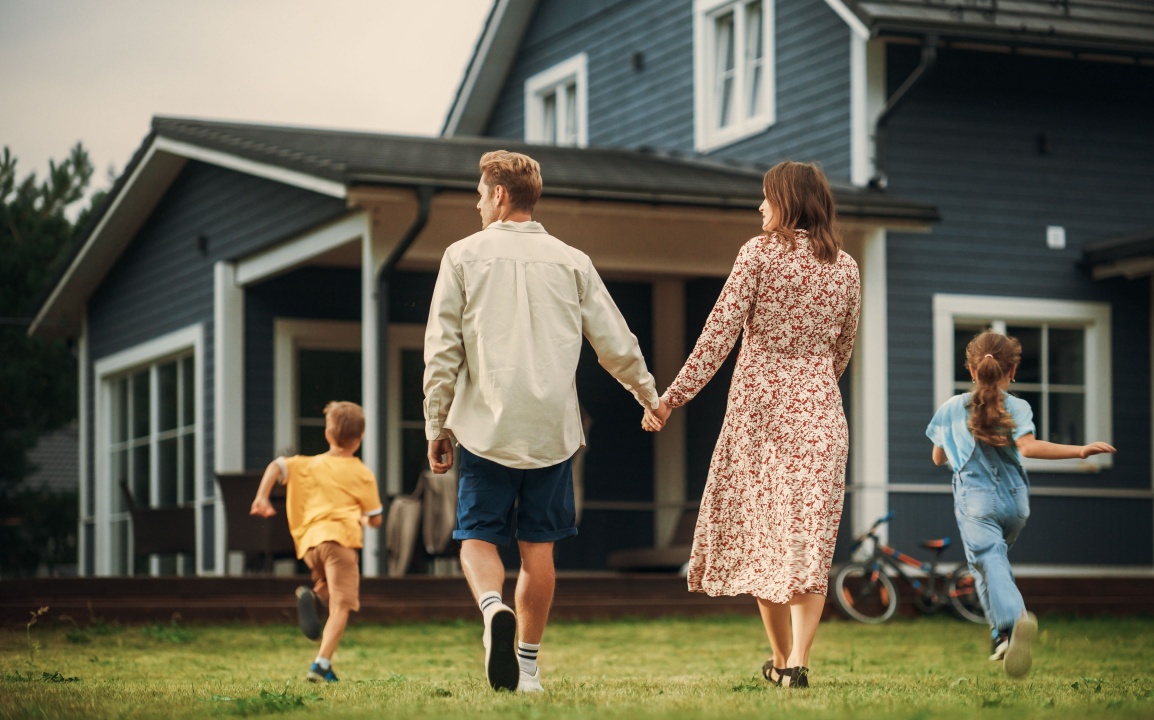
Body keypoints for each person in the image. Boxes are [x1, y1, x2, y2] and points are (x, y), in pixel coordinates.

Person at [422, 149, 659, 693]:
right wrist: (648, 395)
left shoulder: (461, 256)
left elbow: (442, 350)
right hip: (553, 431)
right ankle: (527, 668)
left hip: (487, 428)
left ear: (500, 196)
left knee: (477, 537)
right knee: (539, 548)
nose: (478, 204)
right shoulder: (572, 260)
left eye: (482, 194)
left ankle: (490, 610)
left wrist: (436, 424)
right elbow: (614, 341)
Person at [643, 161, 861, 689]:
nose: (760, 208)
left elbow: (717, 335)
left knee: (764, 540)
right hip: (821, 419)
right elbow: (842, 348)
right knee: (809, 544)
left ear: (785, 201)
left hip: (759, 423)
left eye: (766, 198)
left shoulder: (758, 255)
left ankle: (781, 658)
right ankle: (799, 662)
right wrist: (810, 385)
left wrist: (671, 398)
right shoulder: (846, 266)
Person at [927, 330, 1116, 678]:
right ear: (1011, 371)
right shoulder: (1018, 406)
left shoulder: (951, 409)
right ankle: (1001, 638)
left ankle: (1014, 621)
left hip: (976, 502)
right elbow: (1029, 448)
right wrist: (1080, 450)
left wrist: (952, 441)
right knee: (987, 563)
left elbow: (938, 458)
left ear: (971, 370)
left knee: (987, 559)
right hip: (1016, 504)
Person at [249, 400, 383, 683]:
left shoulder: (307, 464)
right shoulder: (361, 473)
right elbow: (375, 518)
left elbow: (277, 465)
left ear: (327, 434)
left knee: (329, 588)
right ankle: (321, 664)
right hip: (339, 542)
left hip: (310, 544)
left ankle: (314, 596)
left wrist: (262, 497)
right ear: (360, 439)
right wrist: (364, 518)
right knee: (343, 604)